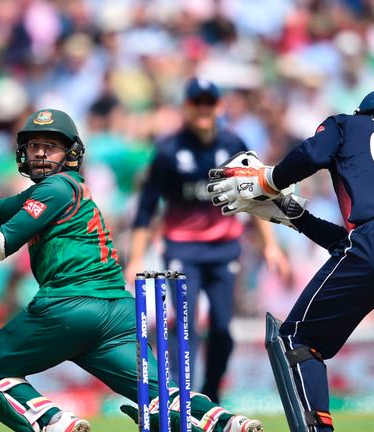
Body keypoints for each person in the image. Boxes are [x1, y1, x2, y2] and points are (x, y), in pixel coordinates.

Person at [0, 108, 264, 432]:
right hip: (118, 312)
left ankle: (55, 423)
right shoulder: (58, 190)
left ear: (70, 153)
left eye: (50, 147)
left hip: (70, 302)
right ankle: (229, 423)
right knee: (160, 394)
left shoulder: (56, 187)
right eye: (35, 145)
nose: (39, 153)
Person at [207, 90, 374, 432]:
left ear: (364, 113)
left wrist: (268, 181)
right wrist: (295, 216)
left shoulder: (348, 124)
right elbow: (369, 242)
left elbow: (313, 153)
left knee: (298, 339)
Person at [127, 78, 288, 404]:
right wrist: (135, 259)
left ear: (218, 107)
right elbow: (146, 209)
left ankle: (211, 394)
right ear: (187, 107)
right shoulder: (168, 151)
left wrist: (271, 245)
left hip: (224, 249)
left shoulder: (233, 146)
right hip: (182, 249)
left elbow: (256, 197)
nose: (202, 109)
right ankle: (178, 397)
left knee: (222, 331)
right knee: (185, 326)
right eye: (196, 103)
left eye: (208, 103)